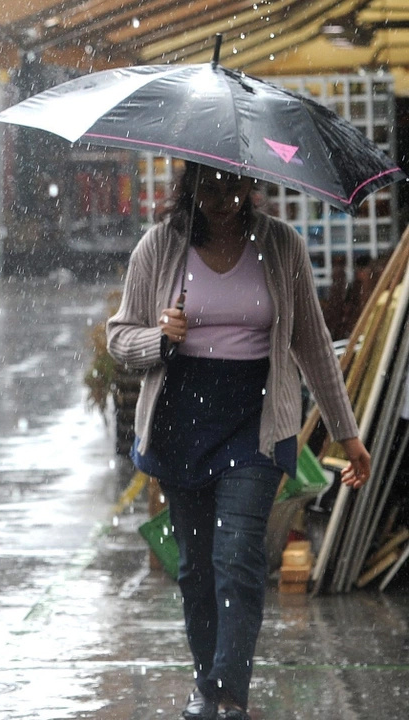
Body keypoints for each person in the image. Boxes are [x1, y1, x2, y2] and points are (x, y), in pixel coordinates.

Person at [106, 162, 371, 720]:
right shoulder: (159, 248)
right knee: (197, 567)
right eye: (211, 185)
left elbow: (314, 347)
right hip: (181, 422)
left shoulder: (281, 246)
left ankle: (227, 691)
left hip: (257, 420)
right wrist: (158, 337)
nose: (224, 197)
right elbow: (119, 338)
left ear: (254, 184)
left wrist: (348, 436)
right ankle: (209, 685)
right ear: (190, 185)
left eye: (235, 184)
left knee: (238, 555)